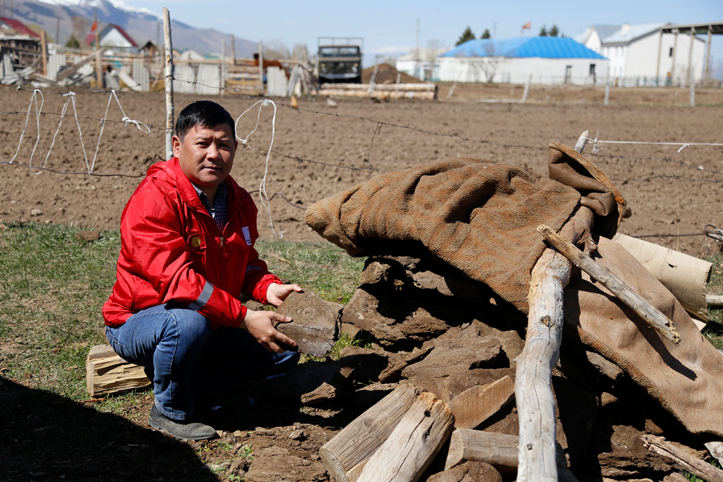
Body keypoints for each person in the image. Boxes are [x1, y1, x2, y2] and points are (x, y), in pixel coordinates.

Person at [102, 100, 301, 440]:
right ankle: (171, 410)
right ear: (178, 146)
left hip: (211, 319)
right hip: (144, 319)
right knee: (186, 324)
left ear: (235, 148)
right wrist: (243, 317)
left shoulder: (238, 201)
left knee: (285, 350)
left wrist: (268, 289)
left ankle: (184, 374)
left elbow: (246, 261)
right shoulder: (155, 198)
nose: (214, 154)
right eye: (203, 143)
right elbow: (178, 283)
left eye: (224, 145)